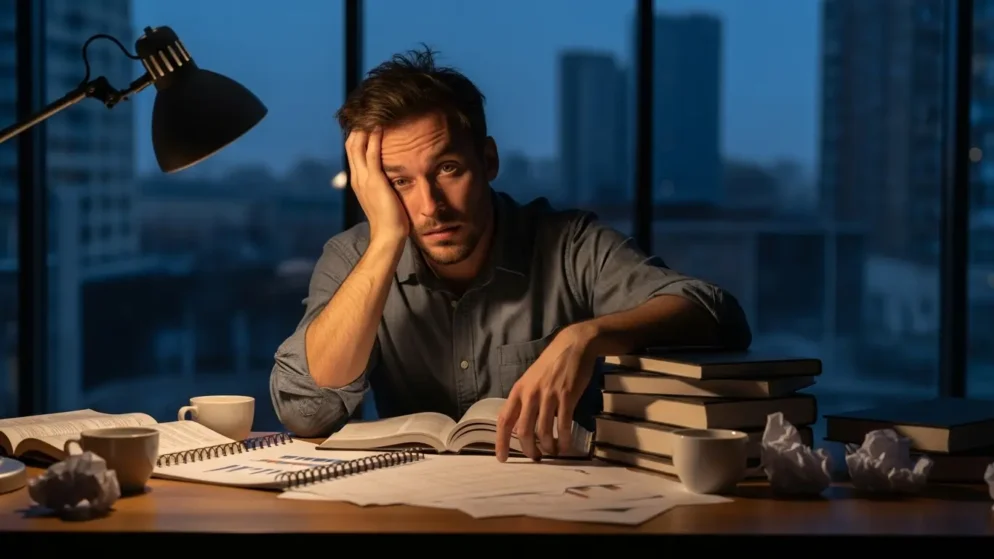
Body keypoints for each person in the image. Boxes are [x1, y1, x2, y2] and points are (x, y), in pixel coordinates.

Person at [269, 47, 751, 462]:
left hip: (564, 508)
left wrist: (586, 337)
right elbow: (306, 410)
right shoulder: (355, 256)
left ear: (489, 161)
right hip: (409, 513)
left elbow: (716, 312)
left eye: (449, 168)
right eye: (400, 182)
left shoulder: (569, 243)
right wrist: (387, 238)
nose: (430, 206)